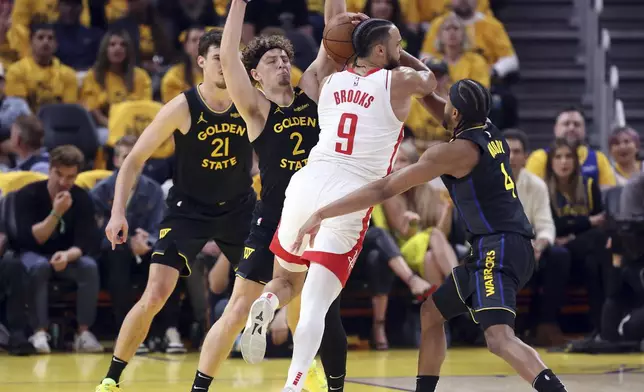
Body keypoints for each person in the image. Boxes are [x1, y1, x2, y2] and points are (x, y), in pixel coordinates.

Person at [292, 79, 569, 392]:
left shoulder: (455, 153)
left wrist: (323, 212)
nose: (442, 103)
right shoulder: (491, 130)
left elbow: (385, 188)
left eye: (448, 101)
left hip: (498, 248)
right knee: (432, 313)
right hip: (501, 246)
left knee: (498, 338)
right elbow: (432, 98)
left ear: (455, 115)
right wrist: (404, 66)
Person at [240, 17, 443, 392]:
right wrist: (404, 57)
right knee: (316, 304)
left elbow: (333, 50)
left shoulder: (330, 83)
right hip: (349, 195)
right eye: (396, 43)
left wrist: (358, 39)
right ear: (381, 51)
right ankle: (293, 384)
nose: (400, 49)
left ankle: (269, 299)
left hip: (304, 184)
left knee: (286, 279)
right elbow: (430, 80)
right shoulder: (396, 79)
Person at [188, 1, 354, 391]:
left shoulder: (311, 90)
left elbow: (334, 34)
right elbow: (227, 56)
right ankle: (200, 386)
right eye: (271, 61)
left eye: (284, 58)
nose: (282, 65)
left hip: (319, 215)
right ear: (254, 75)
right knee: (237, 309)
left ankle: (313, 373)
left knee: (321, 309)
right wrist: (239, 4)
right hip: (278, 215)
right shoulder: (257, 109)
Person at [95, 29, 256, 392]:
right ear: (201, 62)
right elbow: (134, 159)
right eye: (218, 58)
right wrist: (118, 212)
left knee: (282, 282)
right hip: (188, 211)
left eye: (231, 59)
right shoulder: (184, 106)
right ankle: (112, 377)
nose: (226, 65)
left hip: (239, 210)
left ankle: (305, 367)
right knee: (155, 294)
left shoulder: (250, 102)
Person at [14, 145, 102, 354]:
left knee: (89, 267)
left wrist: (67, 255)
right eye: (59, 175)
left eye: (71, 177)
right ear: (49, 170)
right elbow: (34, 238)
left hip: (67, 256)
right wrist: (56, 212)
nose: (64, 182)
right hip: (32, 253)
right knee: (39, 267)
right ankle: (39, 331)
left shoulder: (82, 198)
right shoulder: (28, 194)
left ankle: (84, 332)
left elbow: (86, 242)